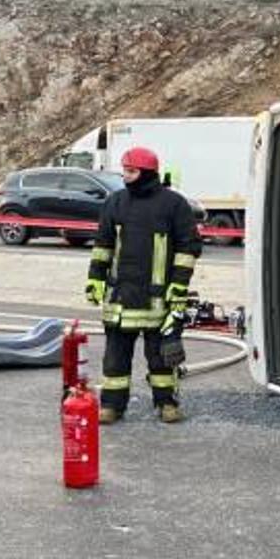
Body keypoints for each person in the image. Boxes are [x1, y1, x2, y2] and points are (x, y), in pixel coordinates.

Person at [85, 146, 200, 424]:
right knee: (115, 359)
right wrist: (95, 279)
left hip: (157, 298)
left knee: (161, 358)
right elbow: (103, 246)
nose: (125, 176)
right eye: (124, 170)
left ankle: (166, 404)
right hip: (120, 298)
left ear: (148, 173)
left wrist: (179, 286)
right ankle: (112, 406)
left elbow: (188, 248)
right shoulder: (115, 203)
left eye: (131, 171)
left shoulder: (174, 205)